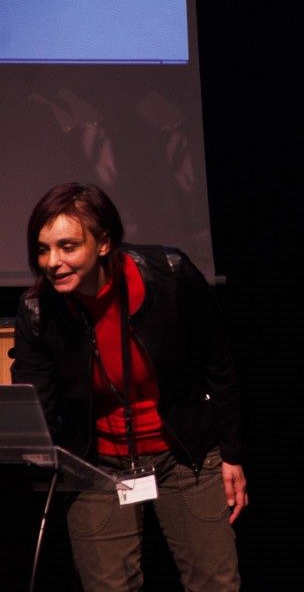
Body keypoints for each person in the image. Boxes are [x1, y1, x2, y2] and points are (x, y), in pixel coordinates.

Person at [11, 182, 247, 591]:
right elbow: (38, 408)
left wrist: (232, 455)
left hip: (185, 454)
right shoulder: (37, 310)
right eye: (43, 249)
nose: (52, 262)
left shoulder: (169, 275)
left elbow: (219, 366)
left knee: (216, 582)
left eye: (68, 246)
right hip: (96, 463)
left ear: (104, 243)